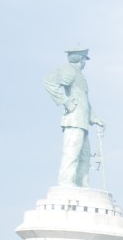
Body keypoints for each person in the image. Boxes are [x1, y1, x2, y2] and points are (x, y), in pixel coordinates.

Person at [43, 48, 104, 188]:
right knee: (72, 152)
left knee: (84, 155)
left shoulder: (79, 75)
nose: (85, 63)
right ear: (80, 59)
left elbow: (84, 100)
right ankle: (66, 182)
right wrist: (65, 101)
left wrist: (94, 118)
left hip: (82, 121)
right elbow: (49, 81)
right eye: (84, 59)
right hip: (73, 119)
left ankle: (82, 183)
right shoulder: (69, 71)